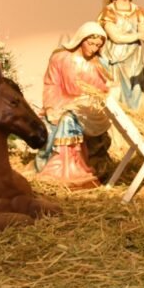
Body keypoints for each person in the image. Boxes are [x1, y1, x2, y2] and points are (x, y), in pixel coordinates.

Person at [34, 22, 113, 189]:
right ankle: (54, 165)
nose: (93, 48)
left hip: (88, 108)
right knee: (56, 120)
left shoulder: (99, 64)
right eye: (91, 43)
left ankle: (73, 167)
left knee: (68, 119)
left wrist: (94, 97)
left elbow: (105, 90)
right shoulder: (60, 58)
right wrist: (51, 106)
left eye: (98, 45)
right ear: (81, 39)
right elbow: (51, 84)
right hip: (62, 101)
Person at [98, 0, 144, 111]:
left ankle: (137, 123)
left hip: (134, 63)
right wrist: (139, 35)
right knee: (117, 100)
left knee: (136, 98)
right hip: (116, 62)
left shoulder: (139, 11)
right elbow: (116, 37)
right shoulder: (109, 12)